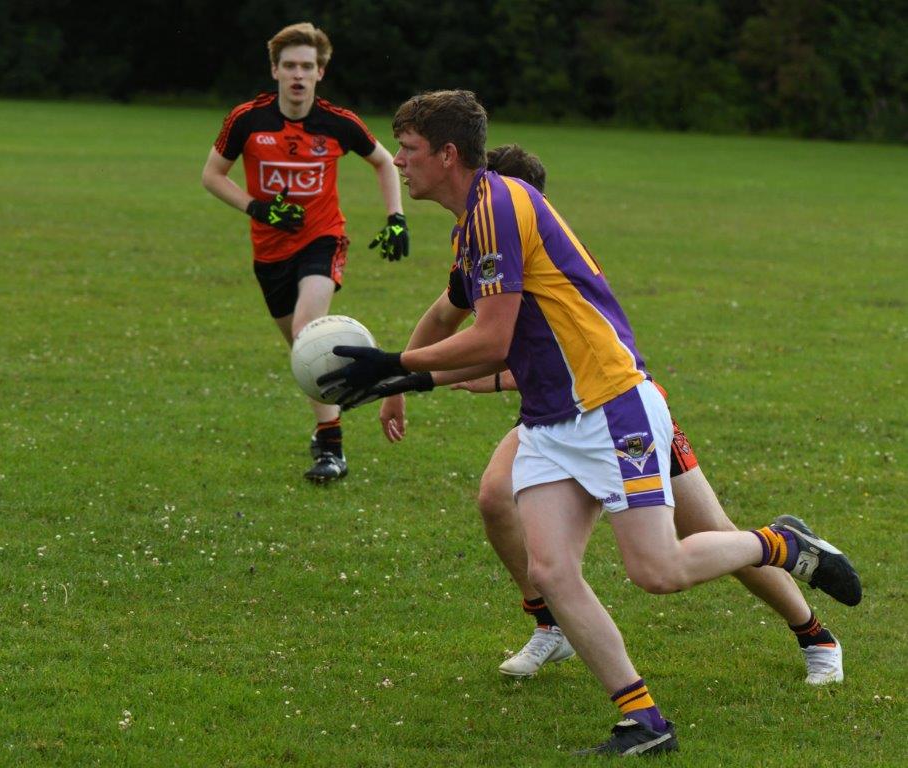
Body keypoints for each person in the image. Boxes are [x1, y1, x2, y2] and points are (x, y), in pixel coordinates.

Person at [317, 91, 861, 755]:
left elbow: (491, 342)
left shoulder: (496, 208)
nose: (397, 162)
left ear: (446, 154)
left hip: (610, 406)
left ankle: (779, 543)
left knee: (655, 571)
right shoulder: (472, 226)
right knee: (549, 570)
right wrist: (402, 377)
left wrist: (397, 366)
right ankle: (643, 721)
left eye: (407, 148)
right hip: (550, 422)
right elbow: (472, 332)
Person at [201, 21, 407, 483]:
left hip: (322, 238)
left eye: (307, 67)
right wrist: (257, 208)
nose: (298, 75)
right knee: (301, 350)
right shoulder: (247, 119)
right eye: (289, 66)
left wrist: (396, 217)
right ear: (274, 70)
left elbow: (384, 162)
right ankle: (341, 411)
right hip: (269, 253)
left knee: (306, 329)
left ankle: (331, 447)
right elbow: (212, 176)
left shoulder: (338, 123)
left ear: (320, 72)